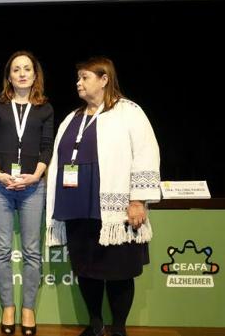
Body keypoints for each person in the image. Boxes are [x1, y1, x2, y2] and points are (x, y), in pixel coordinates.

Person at [45, 57, 160, 336]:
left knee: (120, 270)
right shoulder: (72, 118)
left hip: (114, 210)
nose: (78, 83)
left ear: (104, 78)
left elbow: (146, 155)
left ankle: (118, 328)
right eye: (78, 78)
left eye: (84, 77)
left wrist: (137, 200)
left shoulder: (129, 112)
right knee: (86, 270)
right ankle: (95, 324)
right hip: (76, 206)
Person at [0, 51, 54, 336]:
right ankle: (7, 308)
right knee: (2, 250)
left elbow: (47, 145)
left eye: (27, 69)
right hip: (0, 185)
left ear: (35, 75)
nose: (22, 73)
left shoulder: (45, 108)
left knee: (32, 252)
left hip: (33, 186)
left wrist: (36, 175)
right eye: (16, 69)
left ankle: (27, 309)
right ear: (9, 76)